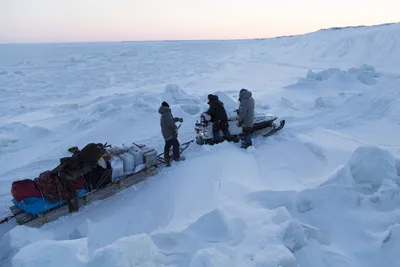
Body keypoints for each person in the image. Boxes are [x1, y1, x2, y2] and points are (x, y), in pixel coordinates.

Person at [158, 101, 184, 166]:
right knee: (176, 144)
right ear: (167, 106)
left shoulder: (163, 113)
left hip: (165, 133)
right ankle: (176, 157)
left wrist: (177, 119)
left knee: (168, 144)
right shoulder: (167, 112)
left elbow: (170, 120)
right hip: (169, 132)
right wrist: (175, 130)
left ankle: (166, 158)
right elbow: (171, 123)